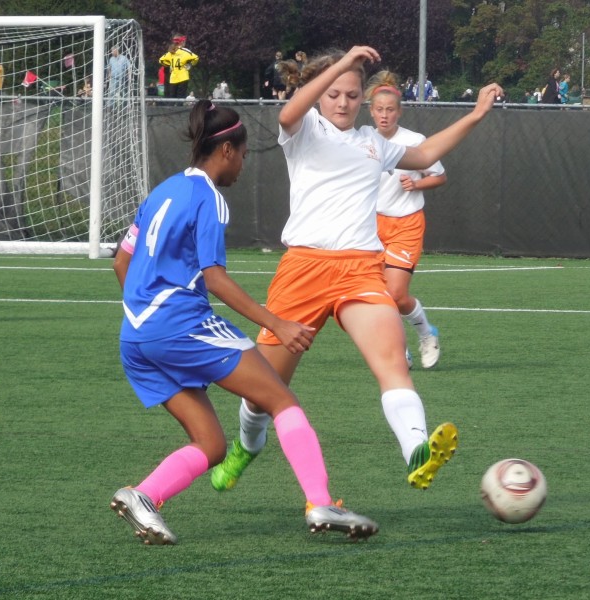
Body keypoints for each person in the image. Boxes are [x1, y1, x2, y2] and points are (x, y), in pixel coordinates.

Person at [210, 46, 502, 495]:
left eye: (351, 94)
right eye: (334, 94)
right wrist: (344, 63)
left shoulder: (373, 142)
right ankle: (247, 446)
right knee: (261, 394)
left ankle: (417, 451)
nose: (343, 102)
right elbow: (289, 113)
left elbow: (423, 156)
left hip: (360, 270)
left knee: (392, 361)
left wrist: (476, 116)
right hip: (303, 269)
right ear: (321, 94)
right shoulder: (304, 131)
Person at [110, 99, 378, 545]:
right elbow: (215, 278)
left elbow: (122, 261)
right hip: (181, 326)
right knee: (281, 400)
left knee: (211, 444)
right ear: (228, 151)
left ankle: (143, 495)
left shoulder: (162, 191)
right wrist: (280, 323)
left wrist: (147, 316)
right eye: (245, 152)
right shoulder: (209, 199)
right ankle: (319, 503)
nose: (244, 163)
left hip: (135, 337)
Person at [366, 70, 447, 369]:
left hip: (406, 225)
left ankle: (427, 333)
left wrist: (417, 183)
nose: (384, 115)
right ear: (371, 112)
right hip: (371, 227)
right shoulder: (364, 140)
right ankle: (399, 350)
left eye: (390, 110)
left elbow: (439, 176)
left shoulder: (414, 141)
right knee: (376, 298)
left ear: (399, 112)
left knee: (397, 295)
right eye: (379, 110)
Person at [158, 34, 199, 99]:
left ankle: (172, 109)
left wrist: (170, 65)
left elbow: (161, 60)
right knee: (181, 97)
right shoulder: (185, 51)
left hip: (173, 78)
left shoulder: (171, 52)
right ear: (182, 42)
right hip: (183, 77)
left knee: (172, 98)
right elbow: (196, 58)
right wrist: (190, 65)